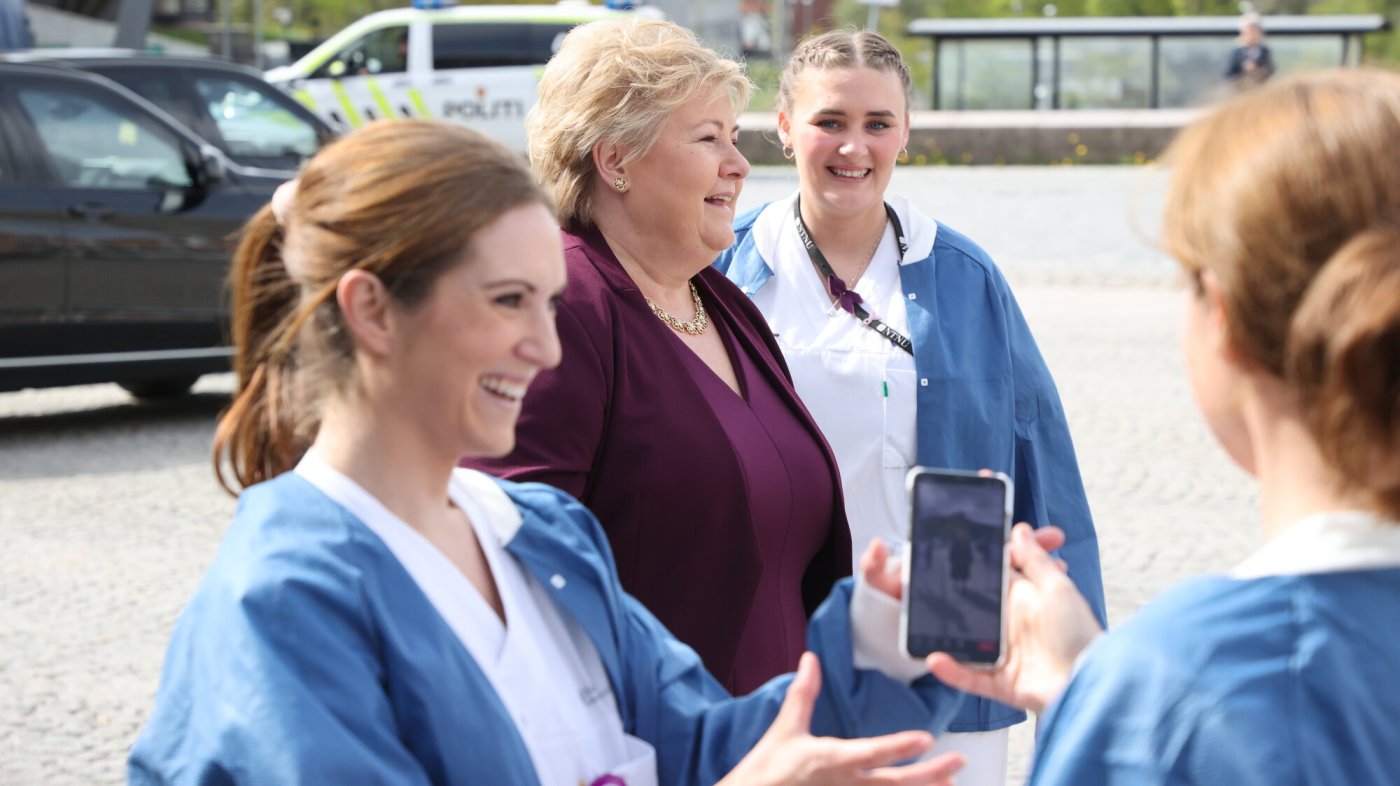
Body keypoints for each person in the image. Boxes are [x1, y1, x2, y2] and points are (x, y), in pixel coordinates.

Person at [125, 118, 985, 785]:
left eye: (549, 303)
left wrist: (892, 635)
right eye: (507, 302)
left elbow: (699, 739)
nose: (544, 347)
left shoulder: (535, 529)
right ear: (372, 309)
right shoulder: (284, 604)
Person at [930, 68, 1400, 784]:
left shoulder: (1181, 684)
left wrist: (1111, 709)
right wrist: (1091, 684)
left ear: (1224, 318)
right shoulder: (1163, 688)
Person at [714, 30, 1106, 786]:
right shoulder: (723, 267)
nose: (852, 147)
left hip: (941, 645)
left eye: (877, 124)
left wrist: (1082, 684)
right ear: (785, 126)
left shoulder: (963, 276)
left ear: (906, 134)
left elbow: (1043, 467)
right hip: (769, 640)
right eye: (830, 121)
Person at [463, 17, 852, 696]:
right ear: (615, 162)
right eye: (708, 140)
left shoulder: (724, 303)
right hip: (648, 744)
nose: (739, 165)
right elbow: (516, 559)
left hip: (773, 738)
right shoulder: (560, 307)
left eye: (734, 139)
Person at [1224, 13, 1274, 85]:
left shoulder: (1265, 52)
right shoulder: (1237, 53)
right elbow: (1228, 74)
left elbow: (1271, 72)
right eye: (1250, 30)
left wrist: (1258, 71)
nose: (1252, 34)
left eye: (1255, 30)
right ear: (1243, 32)